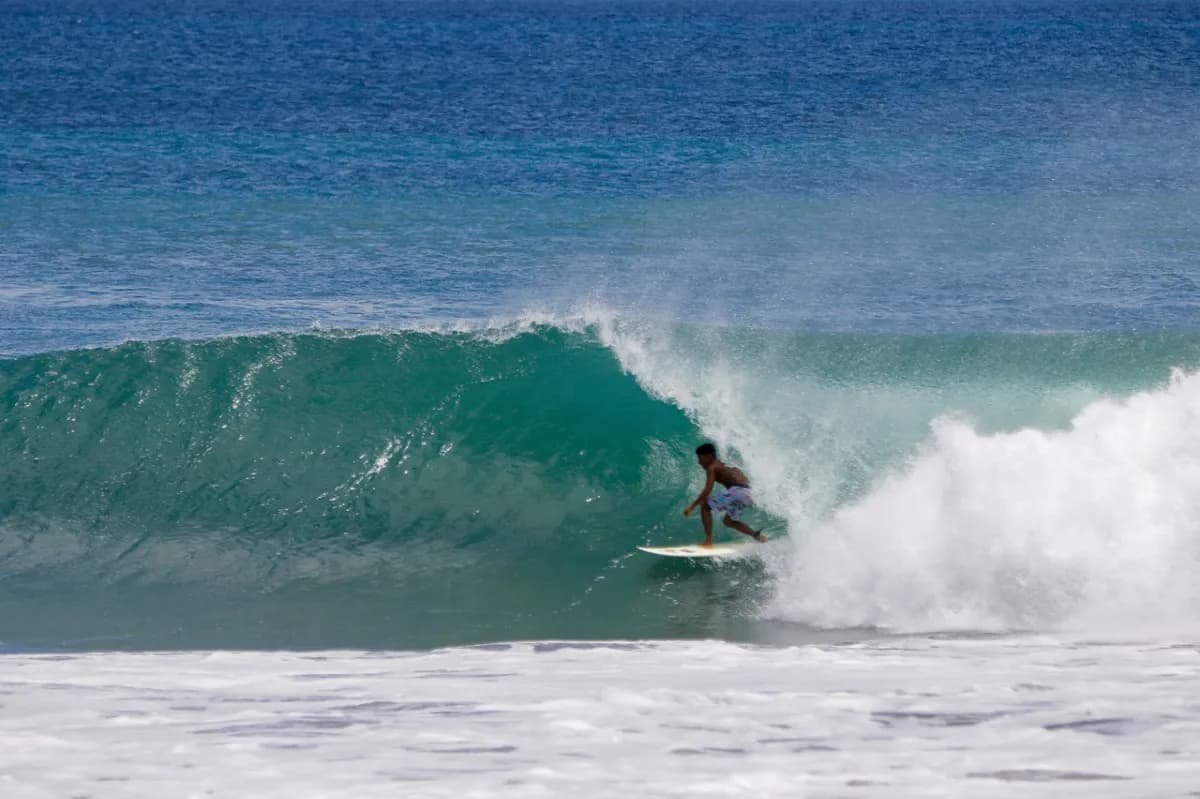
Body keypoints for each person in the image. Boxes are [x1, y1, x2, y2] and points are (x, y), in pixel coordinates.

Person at [682, 442, 767, 547]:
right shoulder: (726, 464)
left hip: (737, 491)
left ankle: (708, 541)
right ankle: (757, 536)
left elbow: (707, 489)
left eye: (700, 458)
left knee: (705, 506)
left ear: (709, 456)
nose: (699, 462)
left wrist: (692, 507)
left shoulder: (712, 467)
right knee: (728, 522)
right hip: (749, 493)